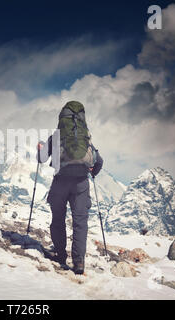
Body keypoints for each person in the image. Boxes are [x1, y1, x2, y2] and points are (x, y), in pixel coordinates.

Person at [37, 101, 103, 275]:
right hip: (81, 183)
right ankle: (79, 263)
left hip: (60, 182)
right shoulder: (86, 138)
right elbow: (99, 162)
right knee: (80, 222)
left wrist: (41, 148)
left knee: (58, 218)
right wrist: (91, 172)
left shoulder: (57, 136)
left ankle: (59, 254)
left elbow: (41, 159)